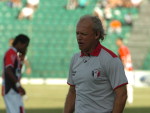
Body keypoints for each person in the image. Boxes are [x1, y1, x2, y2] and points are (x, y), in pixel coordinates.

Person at [63, 15, 128, 113]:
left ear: (96, 34)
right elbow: (72, 92)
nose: (79, 38)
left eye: (83, 34)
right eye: (77, 33)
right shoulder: (75, 59)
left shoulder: (111, 59)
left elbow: (122, 94)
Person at [1, 34, 30, 113]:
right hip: (10, 89)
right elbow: (8, 70)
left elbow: (16, 71)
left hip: (14, 89)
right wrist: (18, 85)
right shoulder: (10, 53)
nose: (26, 48)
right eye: (25, 46)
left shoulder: (16, 54)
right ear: (20, 43)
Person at [116, 38, 134, 104]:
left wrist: (122, 68)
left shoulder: (121, 49)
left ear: (121, 41)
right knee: (128, 85)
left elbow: (124, 59)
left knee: (123, 84)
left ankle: (128, 99)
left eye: (117, 41)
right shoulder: (125, 48)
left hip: (126, 69)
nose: (116, 43)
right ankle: (130, 99)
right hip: (129, 68)